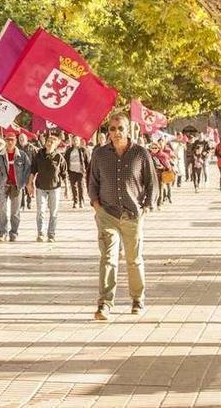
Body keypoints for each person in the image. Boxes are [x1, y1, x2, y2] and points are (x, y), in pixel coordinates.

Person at [88, 112, 157, 320]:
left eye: (120, 128)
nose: (116, 133)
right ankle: (105, 304)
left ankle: (137, 299)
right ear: (108, 131)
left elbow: (152, 182)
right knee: (108, 258)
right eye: (112, 129)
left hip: (132, 215)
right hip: (107, 214)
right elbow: (92, 182)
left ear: (128, 130)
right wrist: (96, 205)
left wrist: (146, 207)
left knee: (133, 259)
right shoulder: (99, 154)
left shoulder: (140, 154)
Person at [27, 134, 68, 242]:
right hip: (41, 187)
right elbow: (33, 170)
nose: (49, 143)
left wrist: (67, 189)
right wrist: (29, 184)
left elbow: (64, 174)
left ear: (56, 145)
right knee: (40, 211)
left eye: (52, 142)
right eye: (48, 141)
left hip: (55, 188)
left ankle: (51, 234)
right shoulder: (39, 155)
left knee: (53, 211)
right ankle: (40, 233)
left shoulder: (59, 157)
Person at [0, 130, 32, 242]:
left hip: (16, 186)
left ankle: (14, 232)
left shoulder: (22, 155)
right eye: (8, 140)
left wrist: (25, 184)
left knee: (15, 212)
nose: (10, 142)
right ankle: (2, 233)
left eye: (12, 140)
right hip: (3, 185)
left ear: (16, 141)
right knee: (2, 210)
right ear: (5, 141)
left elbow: (28, 170)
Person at [64, 135, 91, 208]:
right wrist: (65, 170)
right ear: (72, 141)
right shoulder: (69, 150)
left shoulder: (83, 150)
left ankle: (81, 201)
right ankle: (75, 201)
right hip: (71, 171)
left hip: (80, 171)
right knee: (73, 186)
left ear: (79, 141)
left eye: (77, 140)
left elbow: (87, 161)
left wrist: (87, 170)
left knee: (80, 186)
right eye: (74, 140)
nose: (75, 142)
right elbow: (65, 161)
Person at [149, 142, 174, 208]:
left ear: (158, 148)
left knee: (160, 190)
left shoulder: (162, 155)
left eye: (155, 148)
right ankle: (151, 204)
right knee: (151, 190)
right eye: (152, 148)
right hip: (151, 175)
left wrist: (162, 167)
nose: (154, 149)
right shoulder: (149, 156)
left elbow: (168, 167)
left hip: (160, 175)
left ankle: (159, 204)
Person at [17, 133, 38, 210]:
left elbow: (36, 158)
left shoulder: (31, 148)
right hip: (19, 170)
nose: (21, 139)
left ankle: (29, 201)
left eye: (23, 138)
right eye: (20, 138)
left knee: (29, 186)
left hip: (30, 170)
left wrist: (36, 169)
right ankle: (22, 204)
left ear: (26, 139)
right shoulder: (17, 148)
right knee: (20, 187)